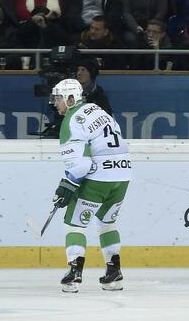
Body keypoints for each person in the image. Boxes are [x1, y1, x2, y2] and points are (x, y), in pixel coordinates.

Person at [50, 78, 131, 293]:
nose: (55, 103)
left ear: (70, 98)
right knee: (107, 223)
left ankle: (74, 274)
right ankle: (114, 274)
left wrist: (66, 185)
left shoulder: (71, 119)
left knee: (75, 225)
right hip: (122, 175)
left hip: (98, 178)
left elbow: (81, 164)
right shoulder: (98, 110)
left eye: (58, 98)